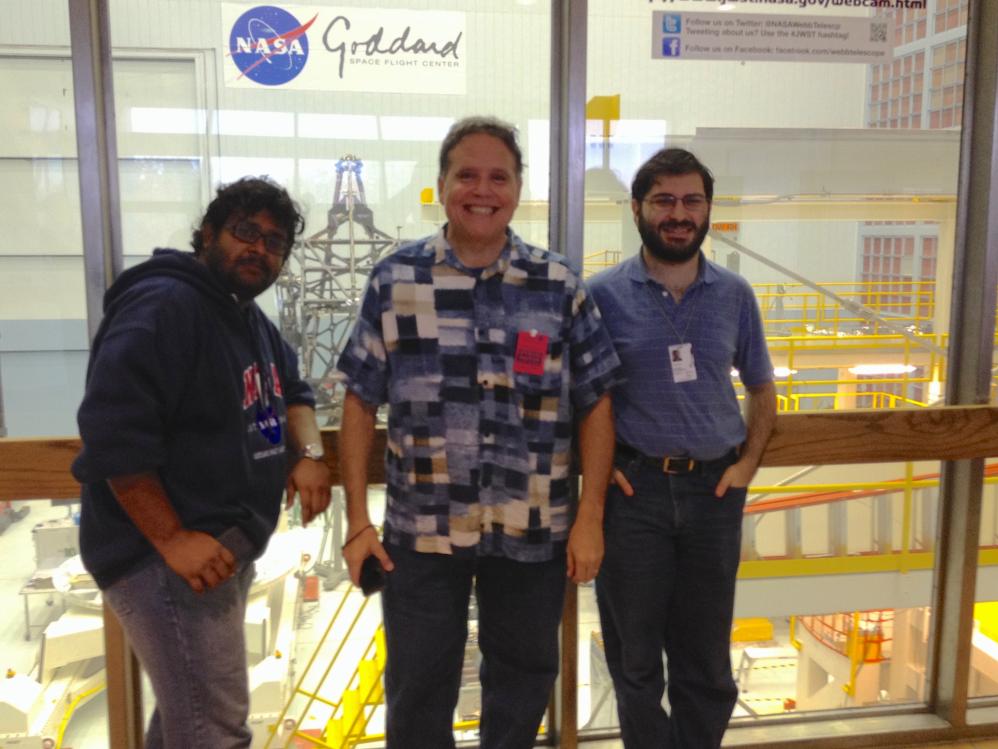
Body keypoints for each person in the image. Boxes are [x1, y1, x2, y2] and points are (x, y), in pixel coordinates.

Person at [336, 116, 620, 748]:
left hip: (534, 527)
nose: (482, 190)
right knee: (416, 688)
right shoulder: (395, 281)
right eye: (467, 174)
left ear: (518, 189)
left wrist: (591, 515)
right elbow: (359, 402)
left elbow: (597, 404)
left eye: (499, 176)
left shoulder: (559, 284)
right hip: (422, 534)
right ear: (442, 184)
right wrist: (356, 518)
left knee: (522, 683)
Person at [71, 177, 332, 749]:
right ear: (208, 233)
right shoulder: (166, 304)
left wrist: (310, 453)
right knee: (214, 732)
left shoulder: (242, 316)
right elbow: (113, 431)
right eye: (246, 232)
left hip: (214, 555)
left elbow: (294, 389)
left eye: (275, 242)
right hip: (165, 562)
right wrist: (172, 539)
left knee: (184, 722)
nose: (259, 249)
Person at [589, 148, 777, 748]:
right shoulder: (602, 295)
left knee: (706, 666)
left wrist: (747, 464)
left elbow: (762, 385)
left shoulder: (735, 294)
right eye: (664, 200)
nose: (679, 213)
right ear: (638, 210)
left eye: (691, 201)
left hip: (714, 494)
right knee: (637, 662)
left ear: (707, 211)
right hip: (634, 495)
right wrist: (605, 470)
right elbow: (580, 397)